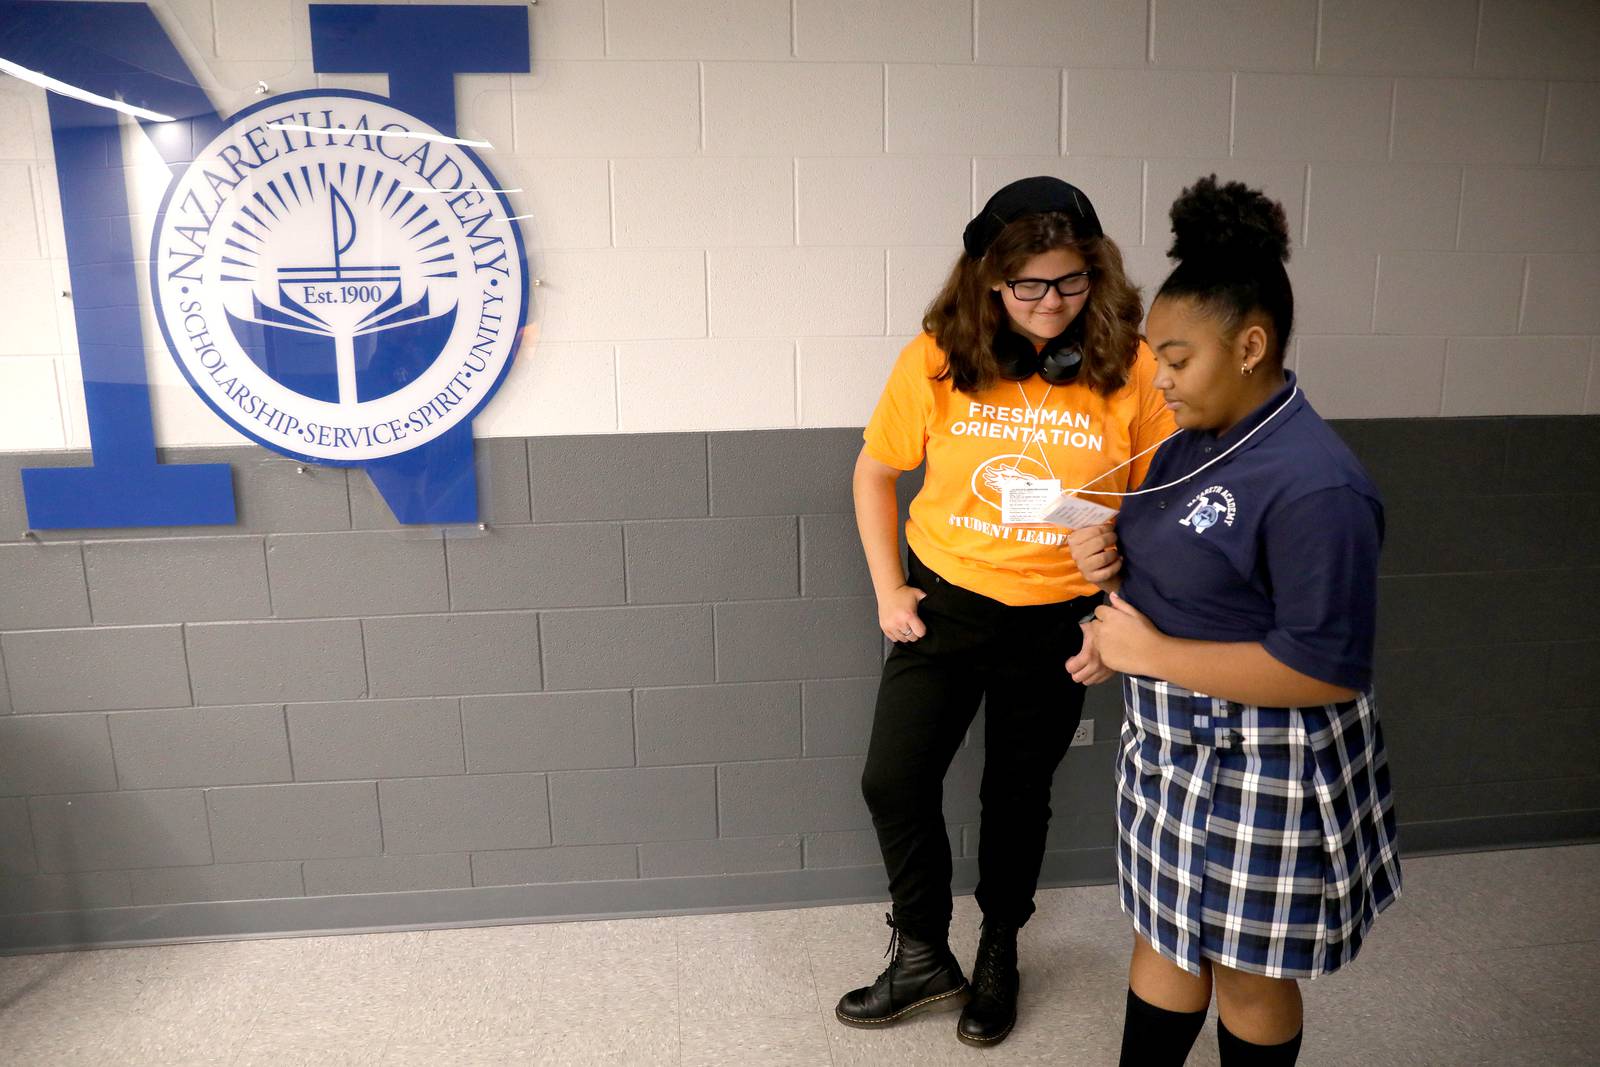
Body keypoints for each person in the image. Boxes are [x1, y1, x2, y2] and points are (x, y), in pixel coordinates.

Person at [1067, 176, 1401, 1065]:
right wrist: (1113, 585)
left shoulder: (1317, 484)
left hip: (1266, 759)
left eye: (1176, 359)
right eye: (1155, 359)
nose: (1160, 379)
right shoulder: (1189, 440)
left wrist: (1154, 650)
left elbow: (1326, 667)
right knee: (1166, 936)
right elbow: (1183, 571)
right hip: (1173, 744)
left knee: (1247, 970)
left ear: (1251, 345)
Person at [837, 176, 1175, 1047]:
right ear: (989, 279)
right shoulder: (938, 356)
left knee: (1016, 795)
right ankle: (920, 952)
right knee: (893, 777)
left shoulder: (1135, 366)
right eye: (1031, 284)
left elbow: (1166, 509)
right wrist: (888, 589)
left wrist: (1116, 623)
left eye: (1072, 280)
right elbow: (877, 470)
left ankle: (997, 947)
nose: (1053, 302)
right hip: (945, 604)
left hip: (1057, 621)